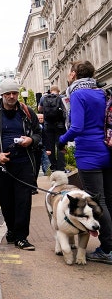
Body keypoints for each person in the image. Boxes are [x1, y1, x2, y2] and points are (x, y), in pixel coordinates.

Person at [59, 60, 112, 264]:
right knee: (109, 199)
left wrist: (61, 140)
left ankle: (107, 248)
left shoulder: (78, 94)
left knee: (100, 202)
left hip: (88, 154)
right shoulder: (101, 92)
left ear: (74, 74)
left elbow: (77, 127)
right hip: (106, 149)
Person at [0, 78, 41, 251]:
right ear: (2, 95)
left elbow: (38, 133)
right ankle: (12, 231)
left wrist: (31, 140)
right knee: (6, 202)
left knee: (23, 201)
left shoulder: (27, 112)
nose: (12, 96)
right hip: (2, 167)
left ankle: (22, 237)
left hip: (24, 164)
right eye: (8, 94)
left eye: (14, 93)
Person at [38, 85, 67, 172]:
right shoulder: (62, 97)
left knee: (50, 147)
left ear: (50, 91)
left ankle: (53, 166)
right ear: (58, 91)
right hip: (60, 126)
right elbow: (66, 109)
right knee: (60, 146)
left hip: (48, 126)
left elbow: (39, 109)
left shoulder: (44, 98)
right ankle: (61, 167)